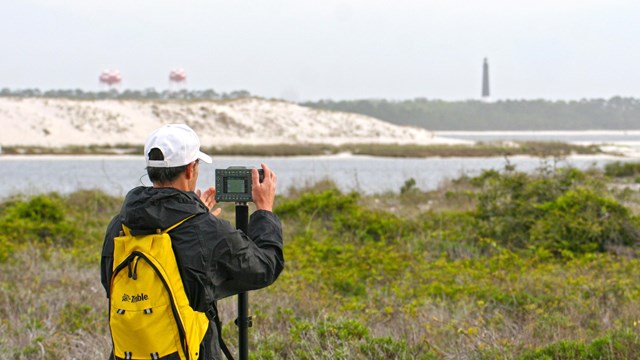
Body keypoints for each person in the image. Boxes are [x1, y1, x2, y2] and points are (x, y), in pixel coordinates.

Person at [100, 123, 284, 360]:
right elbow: (265, 266)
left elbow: (110, 283)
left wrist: (195, 215)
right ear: (190, 169)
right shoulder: (203, 230)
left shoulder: (119, 225)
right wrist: (265, 211)